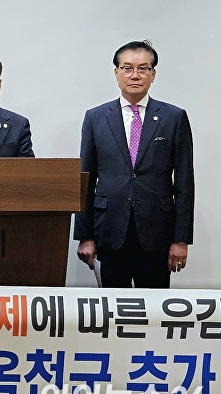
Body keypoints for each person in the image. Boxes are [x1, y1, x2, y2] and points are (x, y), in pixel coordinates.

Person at [74, 40, 194, 288]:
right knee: (112, 306)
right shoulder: (96, 117)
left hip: (157, 233)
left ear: (153, 74)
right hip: (109, 231)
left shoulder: (174, 117)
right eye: (127, 68)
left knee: (153, 305)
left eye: (143, 68)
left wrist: (181, 239)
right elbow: (85, 178)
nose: (135, 75)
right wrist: (85, 236)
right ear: (116, 72)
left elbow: (184, 182)